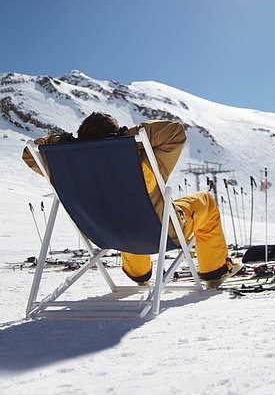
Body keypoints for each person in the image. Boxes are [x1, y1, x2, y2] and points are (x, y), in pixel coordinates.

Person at [22, 112, 242, 288]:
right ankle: (215, 271)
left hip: (106, 234)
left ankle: (138, 273)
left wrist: (65, 143)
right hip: (161, 233)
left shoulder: (65, 167)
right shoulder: (138, 156)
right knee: (204, 201)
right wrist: (126, 137)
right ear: (117, 134)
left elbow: (29, 154)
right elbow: (174, 131)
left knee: (120, 213)